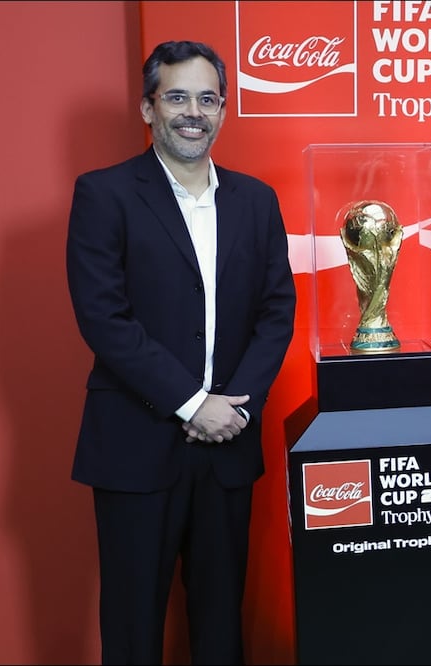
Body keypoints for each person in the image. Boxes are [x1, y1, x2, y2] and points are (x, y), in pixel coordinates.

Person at [65, 40, 296, 664]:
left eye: (208, 98)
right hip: (135, 445)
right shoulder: (104, 194)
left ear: (223, 109)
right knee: (134, 625)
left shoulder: (257, 200)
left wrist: (236, 409)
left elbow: (278, 312)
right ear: (147, 108)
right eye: (176, 97)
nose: (193, 112)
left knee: (221, 626)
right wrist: (194, 404)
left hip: (228, 446)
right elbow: (104, 318)